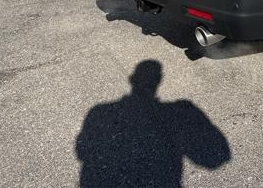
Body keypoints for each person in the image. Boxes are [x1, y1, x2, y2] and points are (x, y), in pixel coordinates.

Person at [76, 60, 230, 187]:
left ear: (132, 79)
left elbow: (82, 151)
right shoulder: (180, 110)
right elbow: (215, 160)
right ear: (159, 80)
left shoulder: (99, 111)